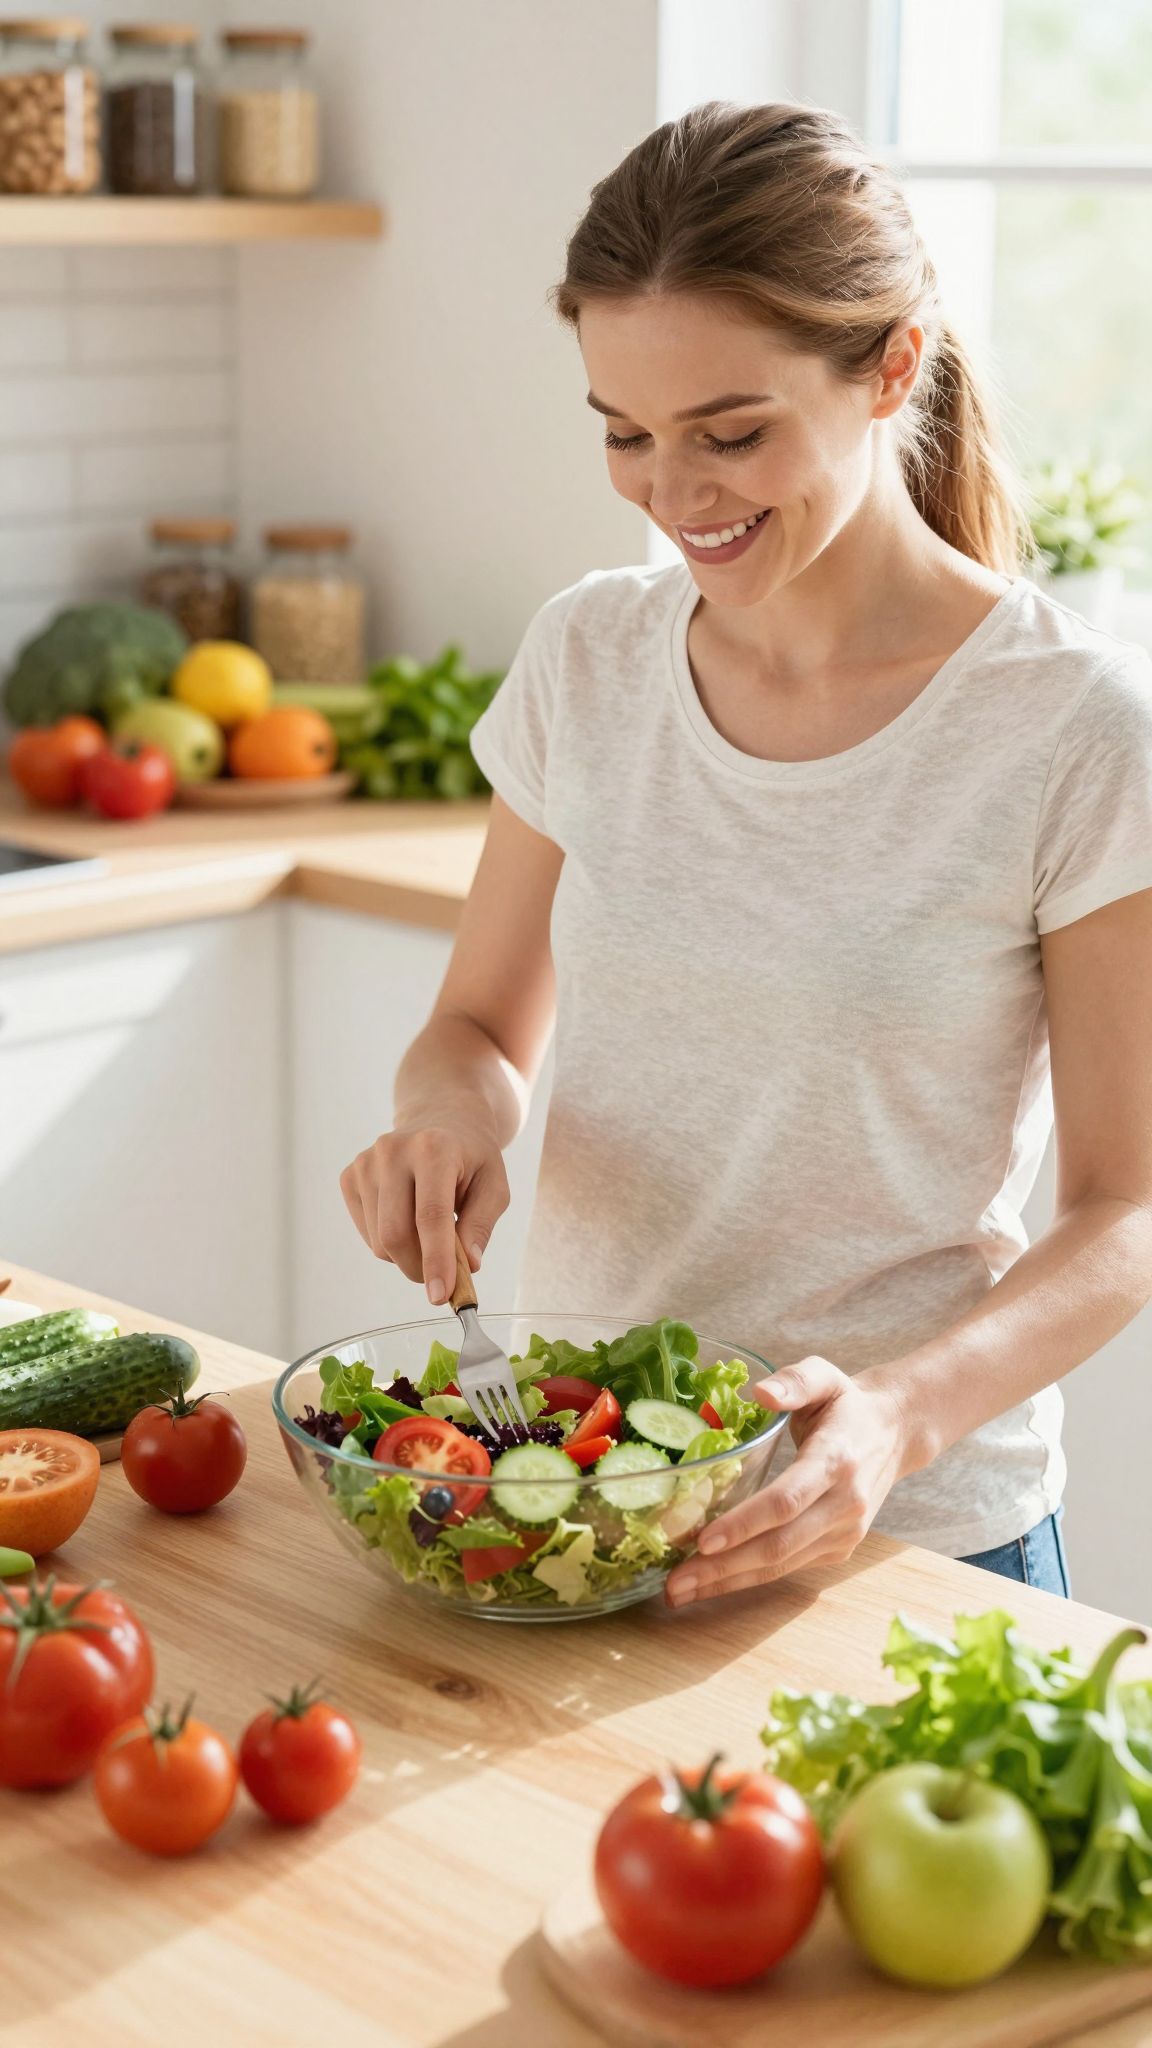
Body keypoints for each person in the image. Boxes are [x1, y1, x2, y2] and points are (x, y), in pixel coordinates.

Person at [341, 101, 1152, 1608]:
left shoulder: (1072, 726)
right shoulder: (588, 657)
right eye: (624, 434)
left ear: (892, 366)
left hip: (910, 1537)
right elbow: (473, 1029)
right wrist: (444, 1124)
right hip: (589, 1499)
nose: (674, 495)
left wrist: (900, 1417)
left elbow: (1127, 1209)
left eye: (732, 433)